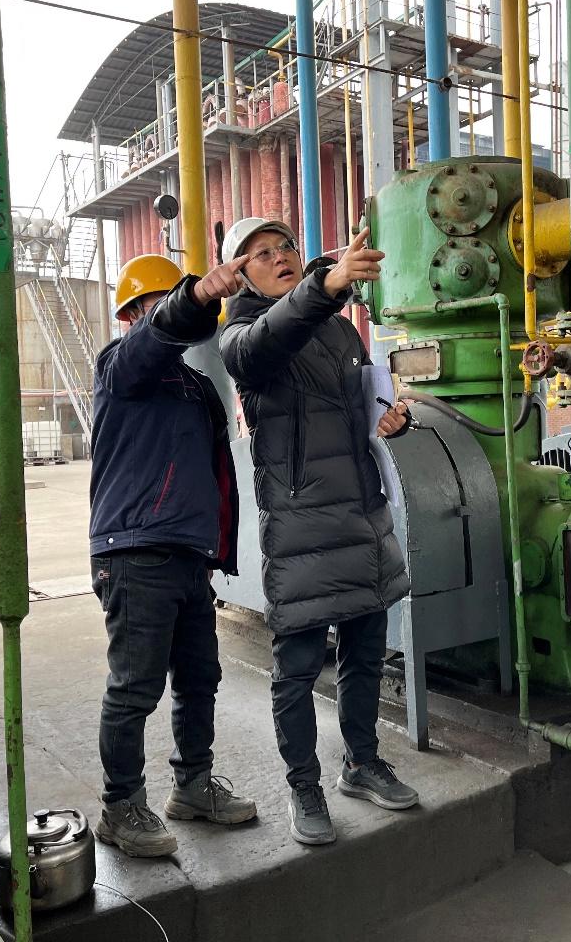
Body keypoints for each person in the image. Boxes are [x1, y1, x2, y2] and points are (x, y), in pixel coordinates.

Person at [219, 218, 418, 847]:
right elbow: (269, 341)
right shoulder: (241, 335)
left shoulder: (338, 329)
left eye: (285, 248)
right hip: (301, 524)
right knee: (298, 668)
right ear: (242, 275)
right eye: (262, 254)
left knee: (365, 653)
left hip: (362, 512)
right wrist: (325, 286)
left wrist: (390, 420)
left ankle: (363, 763)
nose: (279, 257)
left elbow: (361, 407)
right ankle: (304, 785)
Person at [89, 252, 257, 858]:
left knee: (198, 677)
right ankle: (120, 807)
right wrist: (193, 296)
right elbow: (153, 341)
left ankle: (192, 786)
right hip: (135, 550)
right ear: (133, 313)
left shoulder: (194, 385)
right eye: (157, 303)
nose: (168, 313)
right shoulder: (121, 364)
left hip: (188, 555)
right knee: (135, 687)